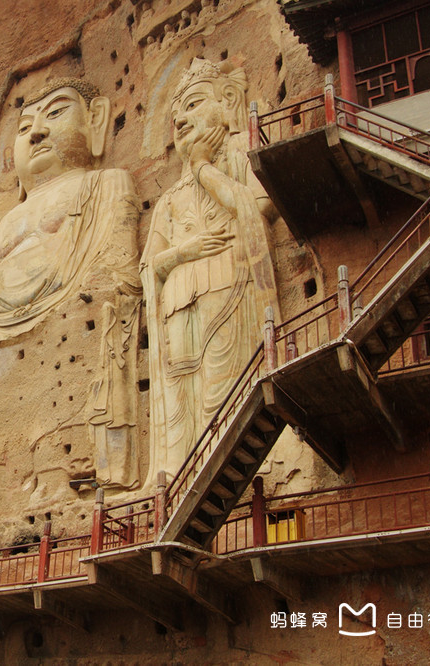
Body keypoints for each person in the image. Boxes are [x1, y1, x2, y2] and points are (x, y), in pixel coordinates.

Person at [142, 58, 280, 488]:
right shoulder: (169, 198)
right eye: (176, 114)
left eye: (194, 104)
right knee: (182, 410)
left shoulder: (239, 158)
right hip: (176, 312)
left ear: (228, 103)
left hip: (230, 294)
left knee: (223, 397)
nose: (181, 120)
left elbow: (258, 209)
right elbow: (150, 265)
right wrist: (187, 250)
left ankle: (232, 485)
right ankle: (177, 487)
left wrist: (203, 168)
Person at [0, 78, 141, 345]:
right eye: (25, 127)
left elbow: (119, 266)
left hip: (75, 327)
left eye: (55, 113)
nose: (36, 133)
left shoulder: (104, 184)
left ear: (95, 120)